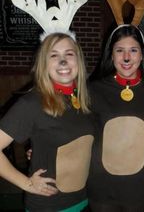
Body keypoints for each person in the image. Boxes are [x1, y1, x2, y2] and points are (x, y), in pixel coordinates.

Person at [0, 33, 95, 212]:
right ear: (44, 64)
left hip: (82, 199)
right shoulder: (32, 103)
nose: (63, 61)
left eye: (69, 53)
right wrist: (27, 183)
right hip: (49, 206)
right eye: (54, 55)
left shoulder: (83, 99)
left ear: (78, 59)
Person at [87, 24, 144, 212]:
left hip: (138, 188)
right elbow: (75, 129)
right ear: (111, 55)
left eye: (133, 50)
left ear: (142, 54)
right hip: (101, 186)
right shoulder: (92, 90)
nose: (126, 57)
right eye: (120, 50)